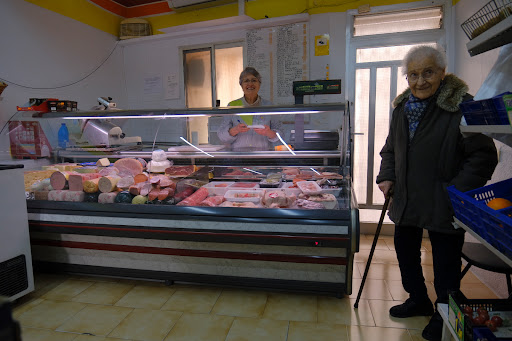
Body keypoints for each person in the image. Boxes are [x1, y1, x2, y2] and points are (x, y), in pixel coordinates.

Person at [376, 46, 497, 341]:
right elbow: (391, 148)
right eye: (413, 75)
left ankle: (444, 312)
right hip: (406, 196)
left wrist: (454, 192)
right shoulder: (402, 108)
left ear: (442, 73)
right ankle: (418, 298)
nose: (420, 81)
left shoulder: (461, 106)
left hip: (443, 201)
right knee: (406, 253)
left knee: (445, 264)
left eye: (428, 72)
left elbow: (483, 156)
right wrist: (387, 175)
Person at [217, 67, 282, 150]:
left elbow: (281, 136)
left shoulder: (269, 106)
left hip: (263, 157)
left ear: (259, 84)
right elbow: (221, 136)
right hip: (239, 157)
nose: (250, 84)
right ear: (241, 85)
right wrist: (235, 130)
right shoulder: (233, 105)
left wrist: (269, 133)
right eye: (246, 81)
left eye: (254, 80)